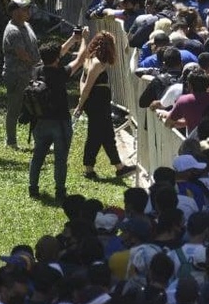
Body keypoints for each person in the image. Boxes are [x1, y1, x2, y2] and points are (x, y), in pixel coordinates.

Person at [73, 31, 136, 180]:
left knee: (107, 135)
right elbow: (87, 86)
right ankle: (89, 169)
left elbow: (82, 82)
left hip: (96, 103)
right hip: (98, 104)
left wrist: (83, 101)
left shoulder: (90, 60)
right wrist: (80, 105)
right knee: (95, 136)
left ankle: (119, 167)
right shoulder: (97, 64)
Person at [28, 34, 82, 200]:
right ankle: (60, 191)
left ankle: (33, 188)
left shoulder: (37, 70)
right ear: (58, 59)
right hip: (60, 122)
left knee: (38, 156)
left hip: (40, 122)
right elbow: (80, 58)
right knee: (60, 159)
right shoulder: (61, 73)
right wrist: (85, 39)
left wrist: (73, 39)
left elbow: (52, 56)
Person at [2, 0, 41, 151]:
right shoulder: (13, 31)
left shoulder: (27, 26)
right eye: (24, 9)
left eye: (28, 8)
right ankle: (11, 141)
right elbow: (22, 54)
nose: (28, 11)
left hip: (30, 74)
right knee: (15, 108)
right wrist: (38, 65)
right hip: (16, 75)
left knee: (36, 107)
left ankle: (39, 141)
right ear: (15, 12)